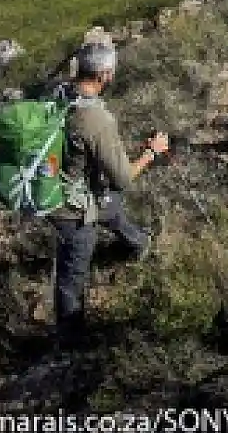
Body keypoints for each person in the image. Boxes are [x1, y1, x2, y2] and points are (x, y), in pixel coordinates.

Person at [50, 41, 170, 348]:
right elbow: (124, 178)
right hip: (72, 210)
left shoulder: (58, 92)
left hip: (63, 184)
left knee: (111, 209)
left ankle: (139, 243)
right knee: (71, 277)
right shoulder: (97, 121)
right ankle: (70, 342)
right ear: (104, 74)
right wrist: (151, 154)